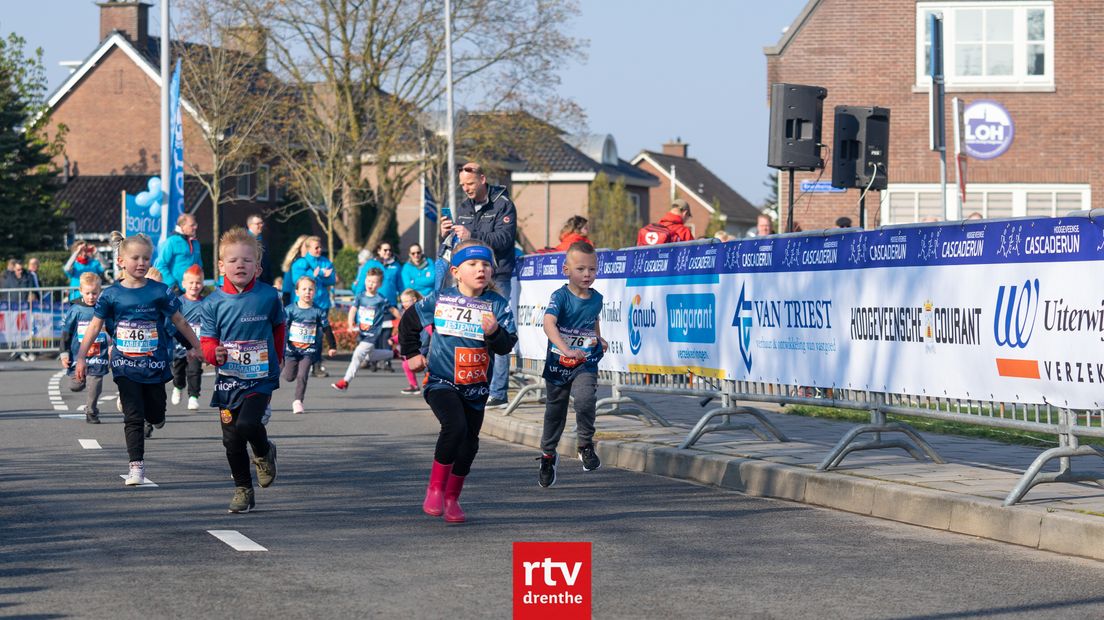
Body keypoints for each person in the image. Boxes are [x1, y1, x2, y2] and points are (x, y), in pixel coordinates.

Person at [399, 239, 518, 523]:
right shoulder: (442, 300)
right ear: (456, 271)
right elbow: (409, 321)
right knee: (455, 427)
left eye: (486, 264)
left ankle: (452, 498)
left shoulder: (497, 305)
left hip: (475, 387)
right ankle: (435, 489)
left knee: (470, 444)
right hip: (442, 380)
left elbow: (506, 345)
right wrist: (412, 353)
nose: (481, 269)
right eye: (473, 264)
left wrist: (494, 332)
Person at [75, 233, 202, 486]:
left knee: (154, 413)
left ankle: (157, 416)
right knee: (133, 416)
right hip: (125, 364)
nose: (142, 263)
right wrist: (80, 357)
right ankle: (136, 467)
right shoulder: (110, 295)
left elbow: (179, 321)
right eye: (136, 258)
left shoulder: (159, 291)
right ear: (121, 261)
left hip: (154, 364)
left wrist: (197, 346)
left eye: (146, 258)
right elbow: (95, 326)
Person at [200, 227, 284, 514]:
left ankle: (262, 452)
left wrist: (279, 357)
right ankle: (243, 489)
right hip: (228, 380)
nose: (240, 265)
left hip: (260, 376)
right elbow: (207, 340)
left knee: (248, 424)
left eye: (247, 261)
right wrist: (214, 354)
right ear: (221, 266)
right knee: (232, 439)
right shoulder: (212, 302)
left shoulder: (269, 296)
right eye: (233, 260)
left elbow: (278, 327)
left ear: (258, 267)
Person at [441, 162, 518, 408]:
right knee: (469, 331)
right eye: (463, 185)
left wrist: (471, 235)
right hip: (468, 277)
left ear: (483, 179)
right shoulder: (463, 207)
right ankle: (469, 382)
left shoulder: (503, 204)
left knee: (498, 330)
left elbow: (505, 240)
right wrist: (445, 234)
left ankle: (498, 392)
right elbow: (457, 243)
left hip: (497, 275)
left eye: (471, 184)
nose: (466, 189)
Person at [536, 241, 607, 487]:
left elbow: (592, 320)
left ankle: (585, 444)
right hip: (559, 361)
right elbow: (548, 324)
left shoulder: (597, 298)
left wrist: (598, 338)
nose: (587, 274)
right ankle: (547, 455)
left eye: (592, 269)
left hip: (584, 361)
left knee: (586, 398)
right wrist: (566, 349)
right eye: (581, 269)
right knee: (555, 410)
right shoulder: (560, 296)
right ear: (566, 270)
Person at [331, 268, 399, 392]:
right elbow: (353, 310)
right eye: (368, 281)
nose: (370, 284)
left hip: (372, 334)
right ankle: (394, 354)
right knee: (369, 356)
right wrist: (350, 323)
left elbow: (393, 310)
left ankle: (345, 381)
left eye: (374, 282)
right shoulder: (360, 296)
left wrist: (403, 320)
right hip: (362, 333)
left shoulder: (380, 299)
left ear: (379, 284)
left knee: (358, 354)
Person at [61, 272, 111, 424]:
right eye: (88, 293)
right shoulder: (76, 310)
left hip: (99, 353)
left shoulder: (104, 308)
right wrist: (64, 353)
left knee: (95, 382)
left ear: (100, 292)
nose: (91, 297)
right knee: (75, 386)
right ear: (81, 291)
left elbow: (113, 328)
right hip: (78, 355)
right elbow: (66, 333)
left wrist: (113, 346)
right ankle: (81, 383)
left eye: (94, 293)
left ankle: (91, 411)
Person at [283, 276, 337, 414]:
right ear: (297, 292)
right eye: (304, 289)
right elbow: (282, 329)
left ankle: (298, 401)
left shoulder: (318, 311)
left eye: (311, 289)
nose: (307, 292)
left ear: (315, 291)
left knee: (303, 375)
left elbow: (327, 329)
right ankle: (289, 369)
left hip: (309, 350)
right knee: (289, 377)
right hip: (291, 350)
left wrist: (332, 346)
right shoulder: (290, 310)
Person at [171, 265, 206, 411]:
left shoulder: (206, 303)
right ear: (183, 284)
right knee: (178, 372)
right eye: (191, 283)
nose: (194, 286)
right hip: (179, 346)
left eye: (198, 282)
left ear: (202, 284)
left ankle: (193, 396)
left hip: (197, 346)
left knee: (194, 371)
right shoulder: (178, 302)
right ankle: (178, 387)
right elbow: (173, 323)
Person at [155, 214, 204, 292]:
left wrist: (201, 283)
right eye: (192, 225)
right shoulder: (171, 242)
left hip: (193, 291)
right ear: (182, 226)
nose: (195, 227)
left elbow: (199, 266)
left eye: (195, 224)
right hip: (175, 290)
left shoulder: (196, 243)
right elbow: (160, 265)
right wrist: (172, 285)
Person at [395, 288, 429, 395]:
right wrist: (394, 339)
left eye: (406, 301)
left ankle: (432, 386)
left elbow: (429, 328)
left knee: (428, 368)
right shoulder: (407, 314)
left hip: (426, 345)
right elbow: (404, 331)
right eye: (402, 301)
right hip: (418, 345)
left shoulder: (421, 312)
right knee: (406, 364)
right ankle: (414, 385)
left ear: (414, 300)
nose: (404, 304)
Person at [279, 235, 308, 306]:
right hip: (297, 302)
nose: (309, 249)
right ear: (300, 247)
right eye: (306, 246)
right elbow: (287, 287)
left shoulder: (317, 262)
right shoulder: (293, 264)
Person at [246, 214, 275, 285]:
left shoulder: (263, 241)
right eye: (258, 224)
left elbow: (267, 263)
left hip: (264, 281)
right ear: (250, 225)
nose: (261, 225)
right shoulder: (245, 241)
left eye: (262, 223)